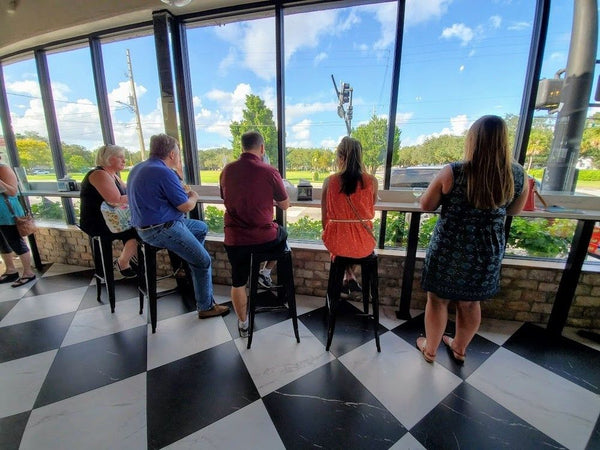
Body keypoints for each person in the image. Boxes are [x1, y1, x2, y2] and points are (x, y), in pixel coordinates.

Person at [416, 115, 529, 364]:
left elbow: (426, 204)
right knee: (470, 302)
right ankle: (459, 347)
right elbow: (514, 210)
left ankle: (431, 349)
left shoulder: (455, 171)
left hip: (451, 246)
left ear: (473, 140)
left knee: (437, 299)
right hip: (487, 249)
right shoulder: (518, 174)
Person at [127, 133, 229, 319]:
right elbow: (185, 206)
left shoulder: (138, 168)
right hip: (162, 229)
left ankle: (188, 261)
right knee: (203, 260)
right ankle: (205, 307)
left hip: (143, 230)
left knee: (200, 227)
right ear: (172, 154)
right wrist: (194, 197)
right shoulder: (163, 172)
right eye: (179, 153)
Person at [219, 130, 290, 337]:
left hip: (234, 239)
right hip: (263, 240)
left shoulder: (227, 170)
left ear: (242, 147)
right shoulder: (269, 171)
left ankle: (243, 324)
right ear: (262, 148)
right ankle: (265, 272)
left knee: (238, 281)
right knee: (282, 234)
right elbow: (285, 204)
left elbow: (226, 196)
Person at [321, 136, 378, 298]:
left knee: (340, 247)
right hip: (363, 242)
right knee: (354, 247)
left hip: (337, 240)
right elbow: (371, 204)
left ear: (340, 158)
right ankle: (350, 277)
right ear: (360, 157)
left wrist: (332, 231)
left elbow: (324, 217)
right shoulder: (372, 181)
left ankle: (348, 277)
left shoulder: (329, 181)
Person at [79, 145, 138, 277]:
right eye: (120, 157)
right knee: (140, 230)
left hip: (112, 219)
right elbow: (115, 199)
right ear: (109, 159)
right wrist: (141, 195)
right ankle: (123, 262)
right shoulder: (99, 174)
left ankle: (126, 262)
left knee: (139, 228)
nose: (124, 161)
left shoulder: (113, 175)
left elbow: (129, 191)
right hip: (97, 222)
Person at [0, 155, 36, 287]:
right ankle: (10, 270)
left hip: (9, 213)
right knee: (3, 243)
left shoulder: (3, 169)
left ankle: (28, 272)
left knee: (16, 241)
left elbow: (13, 191)